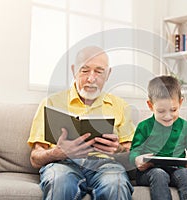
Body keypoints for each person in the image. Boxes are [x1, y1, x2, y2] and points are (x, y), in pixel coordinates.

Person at [27, 46, 135, 200]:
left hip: (105, 165)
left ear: (108, 74)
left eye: (99, 71)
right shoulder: (50, 103)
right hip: (62, 164)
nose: (91, 78)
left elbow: (131, 154)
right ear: (74, 71)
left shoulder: (121, 106)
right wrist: (56, 153)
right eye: (84, 71)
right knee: (59, 181)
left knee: (116, 183)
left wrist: (117, 149)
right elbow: (35, 158)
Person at [129, 75, 187, 200]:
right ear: (150, 106)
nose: (168, 116)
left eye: (173, 110)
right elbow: (133, 153)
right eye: (161, 111)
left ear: (180, 102)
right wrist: (137, 160)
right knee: (159, 174)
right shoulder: (144, 126)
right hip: (150, 172)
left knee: (185, 173)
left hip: (177, 171)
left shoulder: (185, 126)